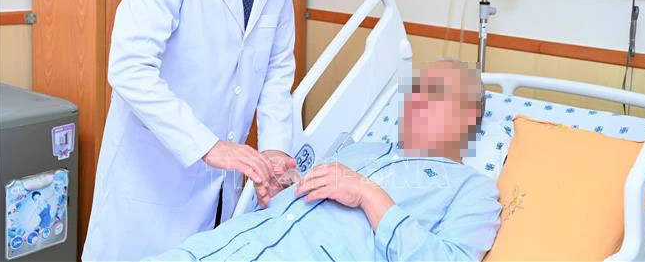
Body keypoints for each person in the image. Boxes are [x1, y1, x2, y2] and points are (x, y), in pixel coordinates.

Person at [82, 0, 343, 261]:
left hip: (221, 187)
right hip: (153, 179)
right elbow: (130, 69)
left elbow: (277, 69)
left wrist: (276, 148)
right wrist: (208, 146)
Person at [146, 60, 502, 261]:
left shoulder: (472, 189)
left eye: (435, 94)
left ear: (469, 115)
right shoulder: (360, 150)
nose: (416, 100)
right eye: (415, 91)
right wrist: (282, 190)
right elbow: (296, 212)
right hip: (218, 250)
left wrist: (369, 194)